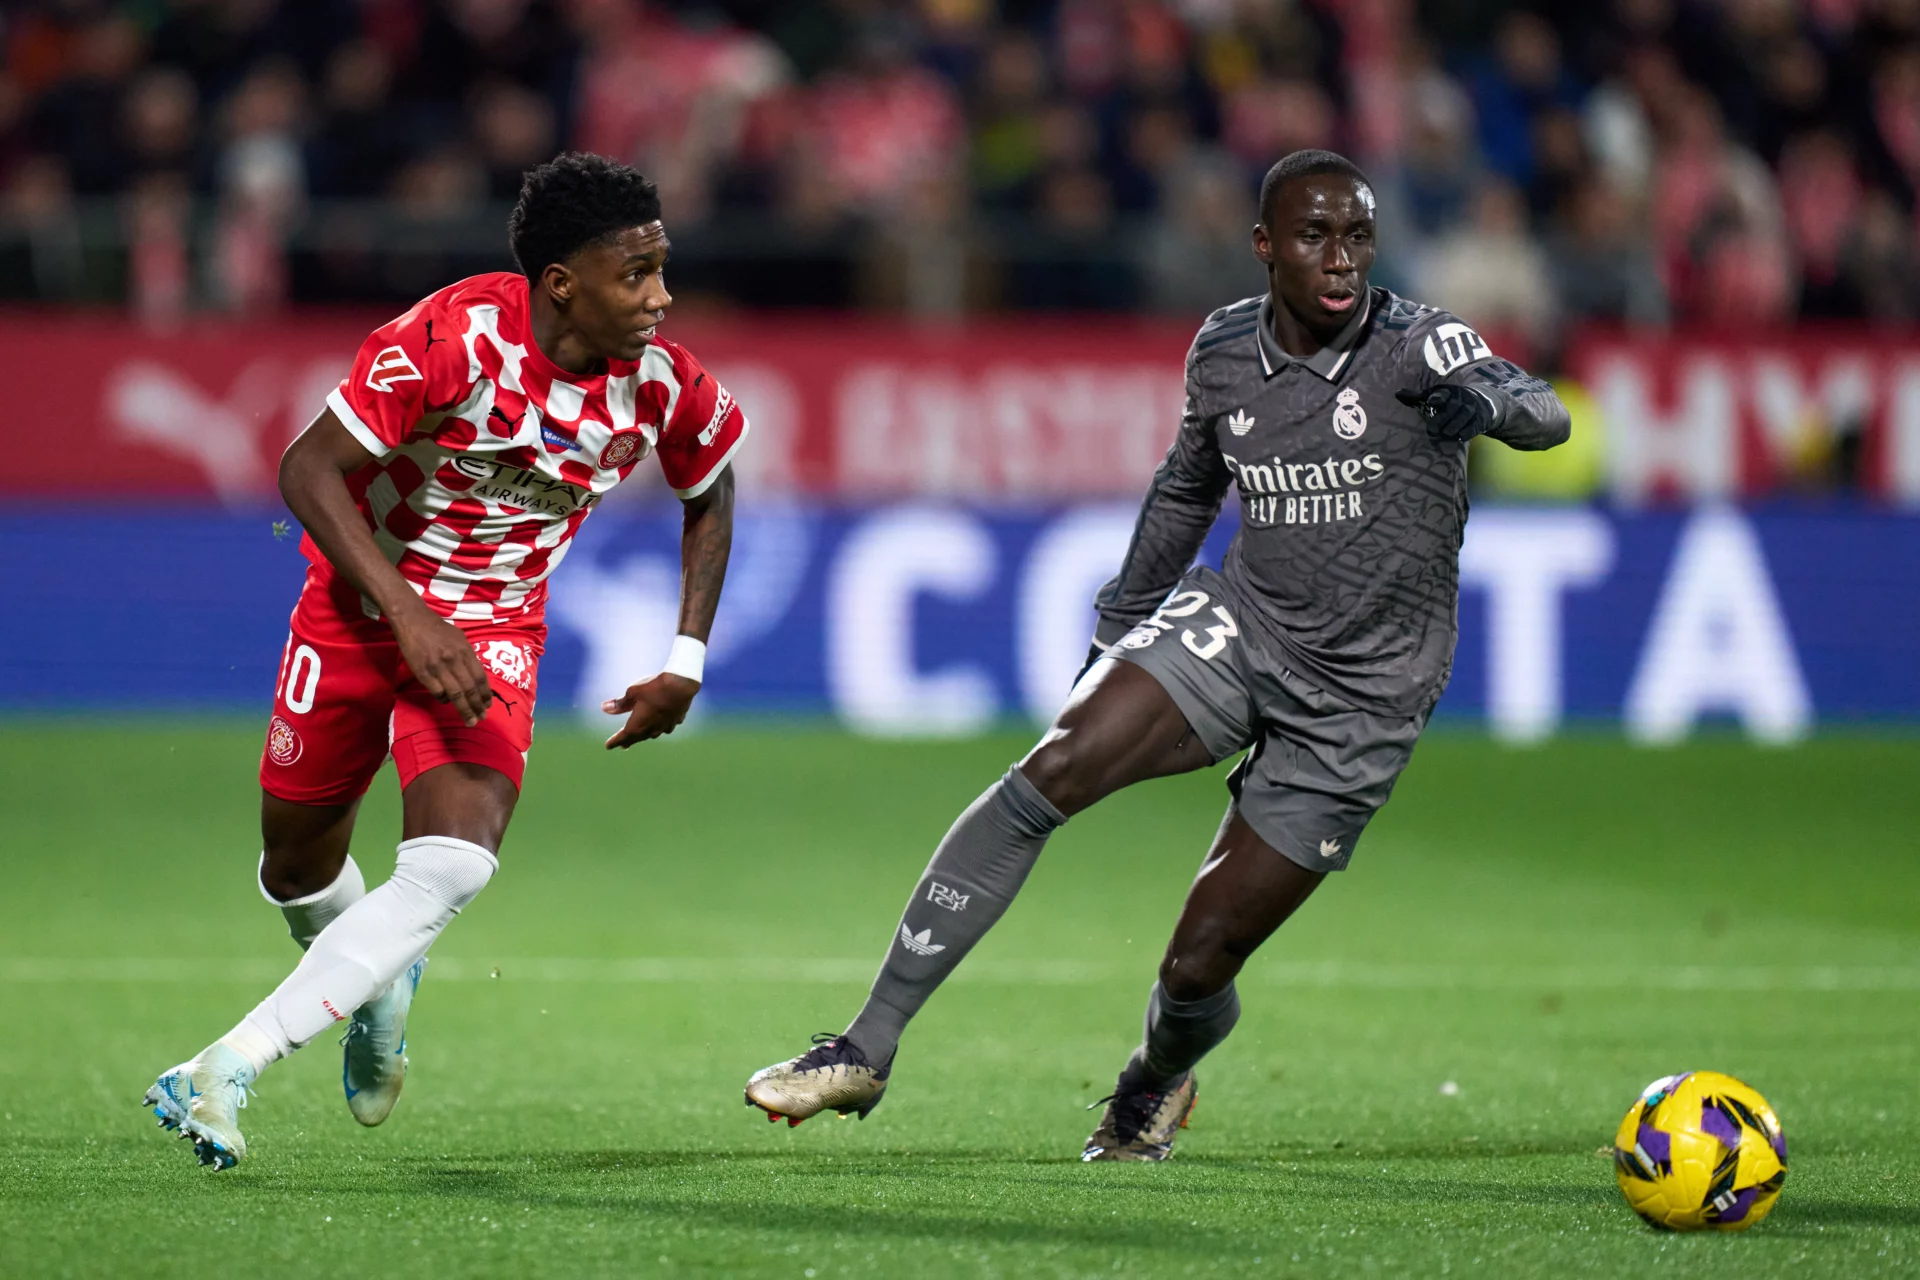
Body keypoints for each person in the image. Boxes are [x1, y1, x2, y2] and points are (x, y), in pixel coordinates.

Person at [744, 149, 1569, 1160]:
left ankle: (1156, 1076)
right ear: (1265, 246)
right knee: (1051, 767)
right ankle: (864, 1044)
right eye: (1315, 235)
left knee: (1197, 963)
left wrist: (1488, 405)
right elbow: (1188, 487)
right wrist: (1118, 626)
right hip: (1246, 628)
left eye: (1357, 235)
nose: (1341, 257)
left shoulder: (1422, 342)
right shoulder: (1224, 349)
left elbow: (1544, 408)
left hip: (1365, 697)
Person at [142, 153, 747, 1170]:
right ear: (563, 282)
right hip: (356, 607)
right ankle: (379, 983)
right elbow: (306, 468)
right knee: (296, 866)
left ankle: (225, 1063)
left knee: (455, 861)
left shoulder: (665, 384)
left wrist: (685, 655)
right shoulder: (451, 338)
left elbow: (713, 490)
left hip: (495, 632)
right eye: (635, 273)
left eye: (661, 268)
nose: (661, 296)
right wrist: (408, 613)